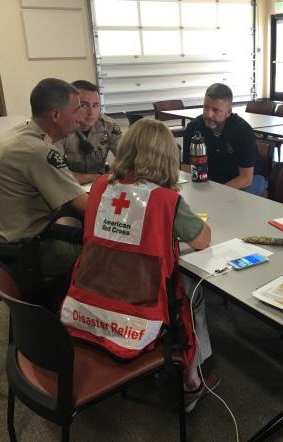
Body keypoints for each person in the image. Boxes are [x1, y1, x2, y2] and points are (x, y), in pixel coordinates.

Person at [60, 118, 219, 412]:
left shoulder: (98, 187)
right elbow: (202, 240)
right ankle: (192, 380)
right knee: (192, 289)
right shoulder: (165, 199)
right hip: (138, 305)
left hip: (94, 292)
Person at [0, 78, 87, 287]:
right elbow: (85, 206)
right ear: (55, 115)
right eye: (76, 110)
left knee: (75, 225)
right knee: (105, 254)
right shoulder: (37, 151)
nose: (80, 117)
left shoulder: (20, 133)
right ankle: (79, 311)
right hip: (20, 252)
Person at [183, 83, 266, 195]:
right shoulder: (194, 128)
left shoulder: (242, 130)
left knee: (240, 199)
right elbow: (187, 168)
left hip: (243, 179)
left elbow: (246, 178)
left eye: (215, 110)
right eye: (205, 107)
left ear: (228, 112)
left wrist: (217, 193)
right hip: (210, 177)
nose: (208, 114)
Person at [58, 80, 123, 185]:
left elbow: (126, 159)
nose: (91, 112)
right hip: (68, 187)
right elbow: (58, 175)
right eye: (84, 105)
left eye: (96, 105)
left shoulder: (109, 126)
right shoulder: (59, 129)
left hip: (100, 184)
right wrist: (96, 177)